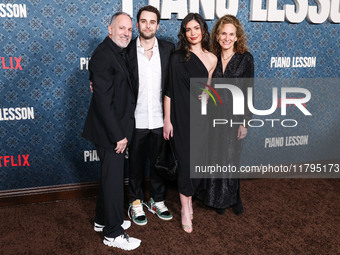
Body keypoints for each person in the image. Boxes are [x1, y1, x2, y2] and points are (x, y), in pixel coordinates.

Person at [82, 12, 141, 251]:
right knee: (114, 181)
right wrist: (118, 135)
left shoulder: (115, 51)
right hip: (110, 132)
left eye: (129, 29)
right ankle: (113, 233)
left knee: (109, 178)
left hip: (114, 127)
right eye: (121, 28)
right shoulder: (104, 54)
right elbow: (104, 103)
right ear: (110, 29)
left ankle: (101, 221)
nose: (126, 33)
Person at [163, 13, 217, 233]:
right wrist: (167, 120)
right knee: (185, 162)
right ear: (184, 33)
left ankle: (190, 199)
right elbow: (168, 91)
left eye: (196, 28)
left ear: (203, 30)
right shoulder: (177, 57)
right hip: (179, 117)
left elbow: (209, 88)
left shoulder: (212, 58)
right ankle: (185, 208)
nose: (193, 33)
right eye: (188, 29)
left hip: (201, 117)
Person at [199, 14, 254, 215]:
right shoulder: (212, 56)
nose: (227, 38)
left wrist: (245, 122)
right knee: (213, 156)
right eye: (223, 33)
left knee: (231, 158)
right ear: (217, 35)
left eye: (231, 34)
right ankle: (215, 199)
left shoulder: (245, 59)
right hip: (213, 116)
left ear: (237, 36)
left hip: (234, 117)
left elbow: (249, 91)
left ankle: (232, 198)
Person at [126, 5, 175, 226]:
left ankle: (157, 199)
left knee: (158, 163)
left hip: (159, 119)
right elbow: (104, 65)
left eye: (152, 22)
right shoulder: (125, 50)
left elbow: (173, 86)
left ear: (158, 25)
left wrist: (169, 118)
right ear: (137, 24)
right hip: (134, 119)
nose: (147, 25)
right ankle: (135, 201)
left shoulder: (168, 49)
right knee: (135, 164)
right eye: (143, 21)